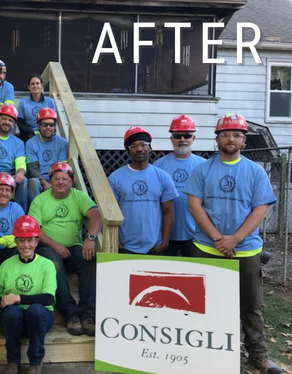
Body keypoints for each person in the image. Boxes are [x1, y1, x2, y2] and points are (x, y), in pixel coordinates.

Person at [184, 113, 283, 374]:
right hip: (206, 247)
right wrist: (218, 237)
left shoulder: (254, 171)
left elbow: (260, 209)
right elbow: (194, 205)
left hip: (246, 249)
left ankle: (259, 355)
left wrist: (234, 239)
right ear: (217, 139)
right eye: (226, 134)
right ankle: (208, 352)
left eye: (237, 135)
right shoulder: (202, 170)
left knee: (250, 304)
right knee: (205, 305)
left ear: (243, 140)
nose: (231, 138)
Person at [29, 162, 102, 336]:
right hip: (47, 247)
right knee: (54, 265)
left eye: (65, 179)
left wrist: (90, 238)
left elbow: (96, 216)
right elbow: (35, 230)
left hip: (74, 248)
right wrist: (55, 245)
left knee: (90, 260)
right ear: (50, 181)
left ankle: (87, 315)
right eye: (56, 179)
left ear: (72, 180)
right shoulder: (40, 199)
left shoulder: (78, 196)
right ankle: (71, 315)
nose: (60, 182)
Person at [0, 215, 56, 374]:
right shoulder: (7, 265)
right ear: (16, 242)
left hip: (39, 320)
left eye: (30, 240)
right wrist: (3, 302)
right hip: (14, 322)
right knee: (11, 311)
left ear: (36, 242)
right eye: (21, 240)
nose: (26, 245)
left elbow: (49, 298)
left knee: (35, 309)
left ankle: (35, 363)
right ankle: (12, 362)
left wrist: (17, 297)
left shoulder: (47, 265)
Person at [108, 126, 178, 255]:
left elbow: (168, 212)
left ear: (150, 147)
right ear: (128, 150)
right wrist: (117, 242)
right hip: (126, 247)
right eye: (133, 145)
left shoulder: (162, 177)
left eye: (143, 144)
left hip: (154, 247)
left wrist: (164, 243)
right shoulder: (115, 178)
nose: (139, 149)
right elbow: (110, 213)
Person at [154, 115, 206, 256]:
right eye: (177, 136)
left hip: (195, 235)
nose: (182, 139)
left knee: (194, 274)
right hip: (165, 234)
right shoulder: (158, 166)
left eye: (187, 135)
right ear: (171, 139)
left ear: (193, 138)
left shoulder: (204, 166)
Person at [26, 108, 68, 206]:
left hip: (57, 177)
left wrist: (54, 182)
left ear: (55, 126)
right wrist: (44, 182)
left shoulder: (63, 143)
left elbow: (61, 168)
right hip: (39, 179)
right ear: (38, 126)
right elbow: (33, 168)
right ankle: (35, 213)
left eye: (51, 124)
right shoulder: (30, 143)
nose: (48, 127)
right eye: (44, 124)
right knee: (33, 182)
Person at [17, 74, 56, 142]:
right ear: (29, 86)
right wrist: (31, 133)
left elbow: (53, 121)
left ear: (42, 85)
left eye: (37, 83)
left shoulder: (50, 102)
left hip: (46, 131)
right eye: (32, 84)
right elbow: (20, 123)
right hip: (29, 135)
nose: (35, 86)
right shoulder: (23, 102)